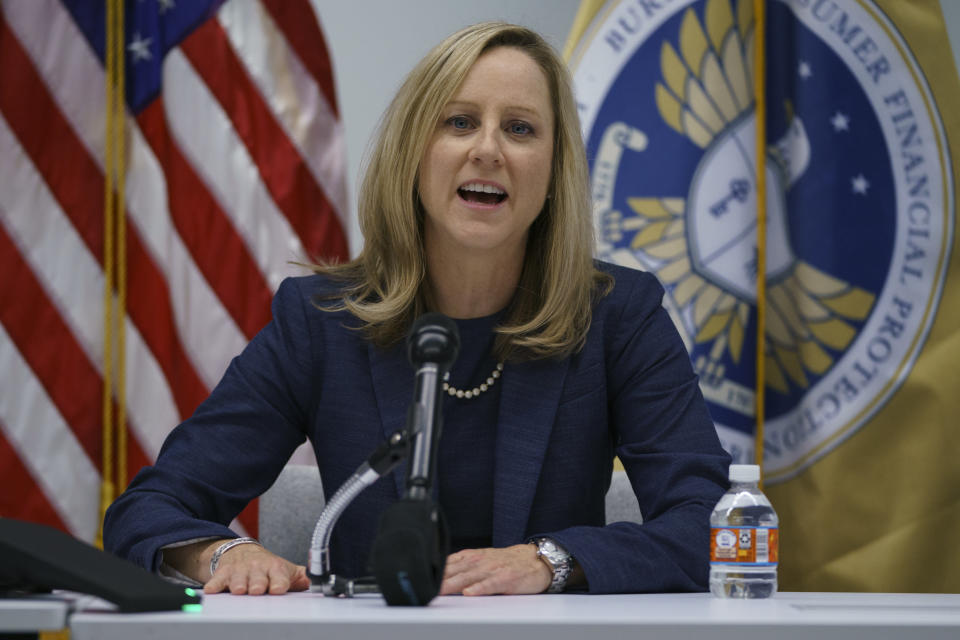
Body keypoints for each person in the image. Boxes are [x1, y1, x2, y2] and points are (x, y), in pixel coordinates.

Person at [104, 21, 731, 597]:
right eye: (459, 122)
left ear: (554, 169)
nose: (488, 149)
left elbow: (717, 525)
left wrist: (550, 559)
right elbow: (152, 507)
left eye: (520, 128)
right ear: (414, 152)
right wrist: (219, 554)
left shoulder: (617, 318)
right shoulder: (322, 321)